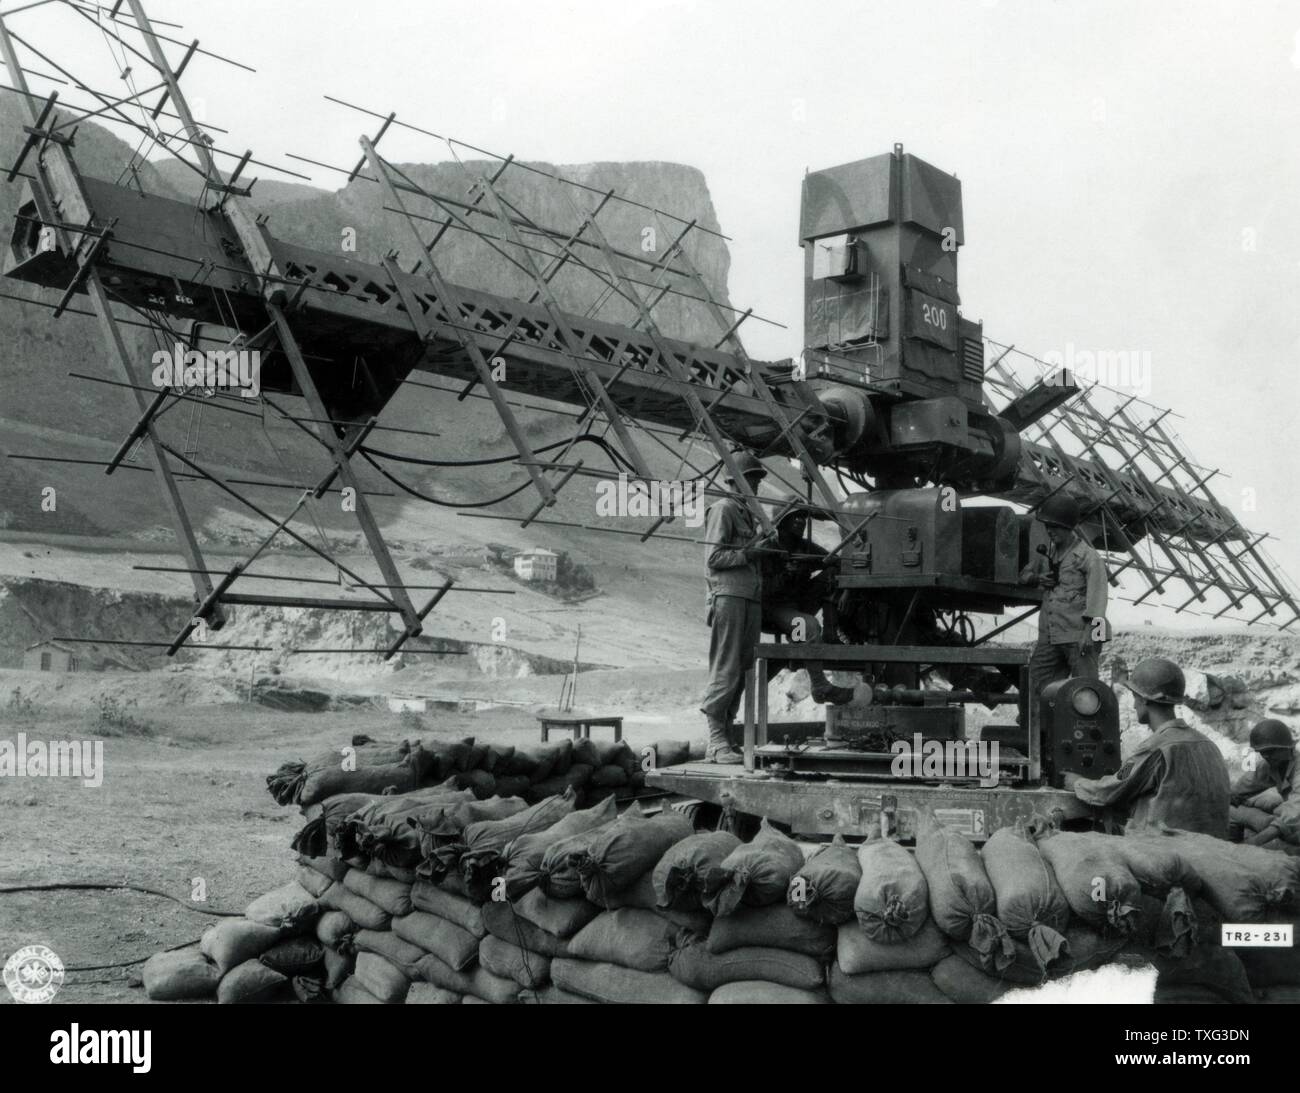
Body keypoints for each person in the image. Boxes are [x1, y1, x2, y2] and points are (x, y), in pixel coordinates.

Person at [1063, 656, 1231, 837]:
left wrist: (1077, 783)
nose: (1134, 705)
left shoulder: (1152, 748)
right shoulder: (1209, 745)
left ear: (1144, 700)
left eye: (1135, 698)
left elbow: (1113, 787)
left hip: (1164, 847)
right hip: (1210, 845)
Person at [699, 452, 773, 764]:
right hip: (728, 596)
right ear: (734, 481)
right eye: (751, 478)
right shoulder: (724, 509)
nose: (755, 485)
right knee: (726, 668)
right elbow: (713, 558)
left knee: (742, 670)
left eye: (756, 480)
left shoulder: (749, 515)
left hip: (749, 597)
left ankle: (726, 738)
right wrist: (750, 553)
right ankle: (716, 741)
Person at [1019, 493, 1108, 704]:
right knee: (1035, 688)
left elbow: (1099, 599)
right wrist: (1037, 578)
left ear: (1068, 527)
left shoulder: (1088, 557)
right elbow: (1023, 577)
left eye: (1055, 527)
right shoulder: (1046, 554)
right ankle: (1037, 725)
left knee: (1086, 693)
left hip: (1079, 638)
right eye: (1047, 526)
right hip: (1050, 637)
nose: (1050, 531)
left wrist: (1091, 635)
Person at [759, 508, 854, 705]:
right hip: (775, 610)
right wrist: (785, 575)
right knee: (808, 626)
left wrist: (844, 589)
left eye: (803, 517)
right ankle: (819, 686)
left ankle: (830, 632)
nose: (801, 521)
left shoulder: (803, 546)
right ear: (782, 521)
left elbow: (836, 562)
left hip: (798, 605)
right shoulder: (768, 546)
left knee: (831, 572)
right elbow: (761, 590)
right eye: (795, 517)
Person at [1230, 718, 1300, 848]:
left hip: (1295, 820)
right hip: (1288, 817)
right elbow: (1243, 787)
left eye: (1271, 751)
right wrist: (1227, 798)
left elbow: (1295, 809)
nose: (1266, 756)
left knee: (1287, 829)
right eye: (1262, 753)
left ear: (1287, 748)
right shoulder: (1272, 764)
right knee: (1233, 809)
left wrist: (1254, 842)